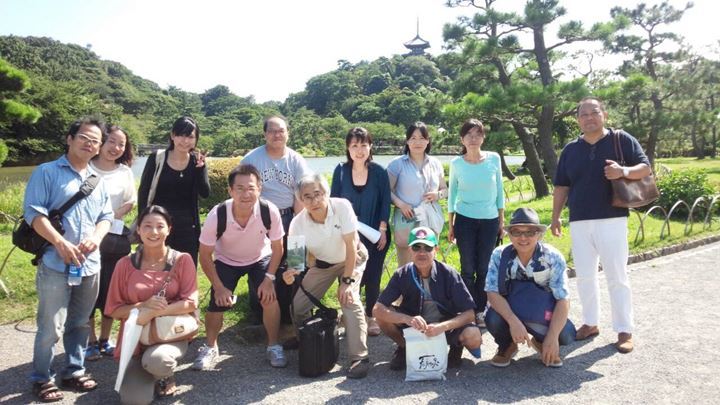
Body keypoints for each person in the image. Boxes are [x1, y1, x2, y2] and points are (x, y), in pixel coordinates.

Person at [552, 96, 652, 353]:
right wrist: (555, 217)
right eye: (583, 114)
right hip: (580, 220)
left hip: (613, 217)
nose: (589, 118)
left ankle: (624, 329)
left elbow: (645, 168)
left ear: (604, 114)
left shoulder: (621, 139)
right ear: (578, 120)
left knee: (617, 275)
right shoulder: (570, 150)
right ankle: (590, 322)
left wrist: (623, 171)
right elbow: (562, 185)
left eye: (593, 112)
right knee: (585, 276)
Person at [23, 118, 114, 402]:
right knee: (51, 325)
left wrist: (96, 239)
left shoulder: (97, 180)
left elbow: (106, 217)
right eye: (85, 137)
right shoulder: (47, 172)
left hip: (89, 265)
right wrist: (59, 243)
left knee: (79, 323)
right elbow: (33, 213)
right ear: (70, 138)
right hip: (54, 262)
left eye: (95, 141)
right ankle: (42, 378)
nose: (90, 144)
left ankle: (74, 370)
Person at [192, 164, 286, 370]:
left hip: (259, 257)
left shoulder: (268, 211)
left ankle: (273, 345)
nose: (246, 194)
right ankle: (210, 347)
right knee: (218, 302)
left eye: (251, 188)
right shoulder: (218, 215)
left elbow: (278, 248)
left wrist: (269, 279)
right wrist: (218, 286)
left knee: (269, 298)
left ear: (259, 189)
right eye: (240, 188)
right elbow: (205, 255)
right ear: (230, 191)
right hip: (226, 259)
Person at [105, 205, 199, 405]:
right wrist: (143, 305)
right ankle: (146, 370)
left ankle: (164, 374)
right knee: (134, 400)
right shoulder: (124, 264)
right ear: (138, 229)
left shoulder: (182, 260)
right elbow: (114, 309)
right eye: (147, 226)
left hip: (169, 334)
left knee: (158, 361)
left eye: (160, 226)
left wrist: (156, 310)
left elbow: (191, 302)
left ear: (169, 229)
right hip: (136, 339)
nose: (154, 232)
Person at [282, 174, 370, 379]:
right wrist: (290, 274)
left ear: (326, 193)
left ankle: (359, 357)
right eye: (307, 197)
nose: (314, 201)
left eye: (317, 194)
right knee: (298, 305)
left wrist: (347, 282)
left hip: (352, 257)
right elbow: (296, 262)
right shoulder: (297, 223)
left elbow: (351, 246)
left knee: (348, 299)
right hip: (323, 264)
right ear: (301, 201)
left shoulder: (342, 206)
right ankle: (304, 337)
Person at [373, 226, 482, 371]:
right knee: (382, 317)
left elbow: (469, 314)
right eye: (416, 247)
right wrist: (407, 319)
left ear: (436, 250)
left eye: (428, 248)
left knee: (473, 336)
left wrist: (442, 327)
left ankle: (456, 348)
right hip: (414, 327)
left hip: (444, 327)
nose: (422, 253)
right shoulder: (402, 274)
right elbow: (377, 309)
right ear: (410, 250)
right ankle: (406, 348)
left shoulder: (449, 274)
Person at [485, 208, 576, 368]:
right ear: (509, 234)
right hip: (511, 310)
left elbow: (563, 299)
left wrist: (553, 336)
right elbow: (492, 292)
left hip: (542, 312)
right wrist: (513, 322)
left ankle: (542, 341)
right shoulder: (499, 255)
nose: (523, 238)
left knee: (566, 335)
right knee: (492, 319)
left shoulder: (552, 257)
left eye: (530, 232)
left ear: (539, 235)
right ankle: (507, 346)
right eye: (516, 232)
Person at [242, 116, 311, 326]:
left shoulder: (296, 159)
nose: (277, 135)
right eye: (272, 131)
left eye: (281, 130)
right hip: (260, 217)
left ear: (288, 133)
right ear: (264, 134)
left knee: (297, 262)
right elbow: (242, 189)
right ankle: (259, 308)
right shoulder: (252, 159)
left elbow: (301, 193)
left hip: (291, 214)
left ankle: (296, 309)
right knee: (260, 262)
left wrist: (297, 226)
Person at [330, 127, 391, 337]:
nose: (359, 150)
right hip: (348, 235)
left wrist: (382, 230)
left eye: (364, 144)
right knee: (348, 274)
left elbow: (385, 202)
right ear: (348, 147)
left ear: (370, 146)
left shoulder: (379, 172)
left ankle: (371, 315)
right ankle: (348, 314)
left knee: (373, 276)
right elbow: (333, 202)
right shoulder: (340, 171)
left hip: (376, 234)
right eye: (354, 145)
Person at [85, 124, 136, 361]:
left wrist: (107, 217)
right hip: (86, 240)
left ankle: (105, 339)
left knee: (108, 290)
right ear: (100, 142)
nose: (116, 148)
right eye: (111, 142)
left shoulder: (124, 171)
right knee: (87, 291)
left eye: (121, 144)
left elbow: (130, 201)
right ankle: (90, 340)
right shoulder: (85, 167)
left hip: (114, 239)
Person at [447, 119, 505, 326]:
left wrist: (501, 221)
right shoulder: (456, 163)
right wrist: (451, 224)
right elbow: (452, 194)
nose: (473, 139)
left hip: (489, 220)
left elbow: (500, 190)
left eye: (477, 134)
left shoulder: (494, 159)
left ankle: (481, 310)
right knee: (467, 268)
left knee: (484, 267)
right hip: (464, 219)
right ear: (462, 139)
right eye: (468, 135)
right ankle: (467, 309)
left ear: (483, 137)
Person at [137, 116, 210, 265]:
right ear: (172, 136)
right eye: (181, 135)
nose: (185, 141)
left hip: (187, 229)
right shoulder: (157, 159)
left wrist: (201, 170)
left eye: (190, 136)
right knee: (156, 269)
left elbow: (205, 193)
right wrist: (142, 224)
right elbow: (143, 192)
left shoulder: (196, 162)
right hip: (158, 226)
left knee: (185, 271)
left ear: (196, 139)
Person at [387, 122, 448, 267]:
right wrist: (401, 204)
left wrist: (437, 195)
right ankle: (406, 289)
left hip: (430, 217)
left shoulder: (435, 163)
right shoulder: (397, 164)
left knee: (428, 259)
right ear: (407, 141)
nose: (417, 142)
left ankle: (428, 288)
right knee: (406, 263)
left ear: (428, 141)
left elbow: (445, 189)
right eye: (413, 138)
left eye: (422, 138)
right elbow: (385, 191)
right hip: (407, 218)